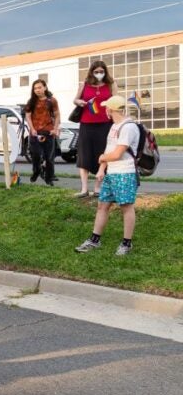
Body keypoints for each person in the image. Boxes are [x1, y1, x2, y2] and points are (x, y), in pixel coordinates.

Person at [74, 95, 139, 256]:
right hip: (112, 173)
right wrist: (102, 168)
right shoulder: (114, 127)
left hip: (125, 173)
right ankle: (95, 240)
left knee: (126, 207)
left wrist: (102, 159)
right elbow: (109, 150)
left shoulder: (129, 127)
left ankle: (126, 244)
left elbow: (117, 154)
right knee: (103, 205)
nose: (105, 110)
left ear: (112, 109)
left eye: (107, 107)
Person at [73, 60, 117, 197]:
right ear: (92, 72)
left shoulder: (111, 84)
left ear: (105, 72)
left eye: (101, 71)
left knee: (102, 155)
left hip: (105, 124)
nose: (99, 74)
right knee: (84, 155)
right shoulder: (84, 85)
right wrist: (79, 101)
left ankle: (97, 188)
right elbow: (75, 99)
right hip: (86, 123)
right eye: (96, 72)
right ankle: (84, 189)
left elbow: (116, 101)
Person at [24, 79, 61, 186]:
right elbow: (28, 116)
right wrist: (32, 128)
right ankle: (36, 171)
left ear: (45, 87)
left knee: (49, 157)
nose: (37, 90)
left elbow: (57, 114)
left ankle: (48, 178)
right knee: (35, 155)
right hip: (35, 132)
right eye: (35, 88)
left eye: (40, 87)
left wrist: (55, 128)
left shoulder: (52, 100)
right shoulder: (31, 101)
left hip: (49, 132)